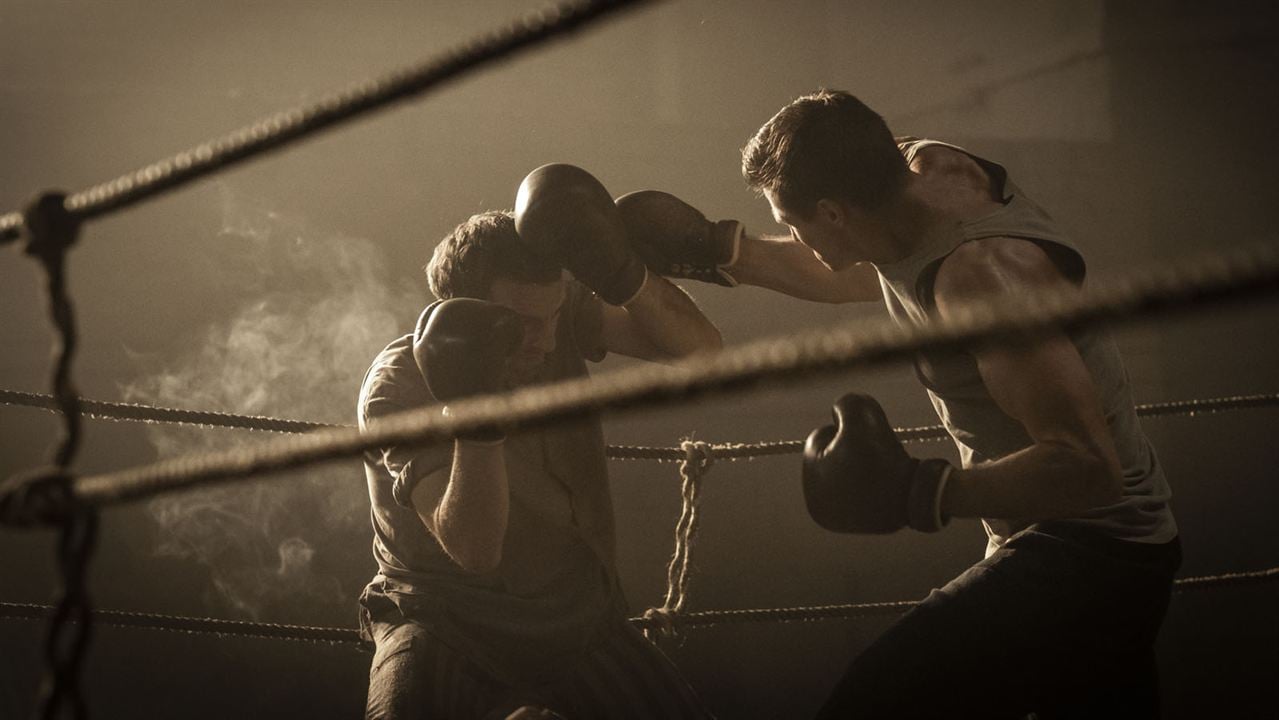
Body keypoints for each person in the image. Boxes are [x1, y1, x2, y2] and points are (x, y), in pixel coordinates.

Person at [621, 89, 1181, 718]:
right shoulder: (914, 173)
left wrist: (922, 489)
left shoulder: (984, 281)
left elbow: (1089, 468)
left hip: (1091, 551)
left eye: (791, 222)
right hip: (1095, 545)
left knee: (875, 699)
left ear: (832, 213)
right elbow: (868, 266)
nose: (791, 236)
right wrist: (720, 251)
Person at [356, 164, 721, 720]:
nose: (547, 341)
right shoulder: (400, 386)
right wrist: (473, 409)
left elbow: (703, 352)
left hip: (575, 613)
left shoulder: (559, 318)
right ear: (464, 312)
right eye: (526, 324)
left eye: (553, 315)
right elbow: (476, 550)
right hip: (445, 619)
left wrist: (625, 272)